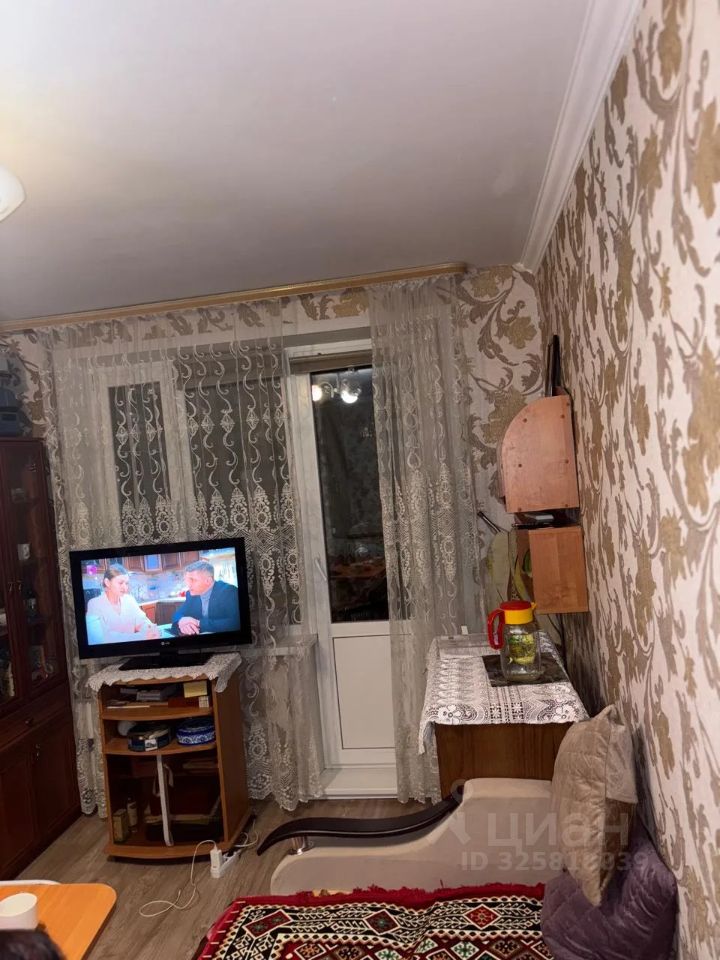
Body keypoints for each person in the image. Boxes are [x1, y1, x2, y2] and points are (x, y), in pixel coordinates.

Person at [86, 563, 161, 644]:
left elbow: (141, 621)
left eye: (126, 583)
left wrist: (150, 629)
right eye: (120, 583)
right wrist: (142, 636)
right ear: (107, 582)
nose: (125, 587)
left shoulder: (129, 600)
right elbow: (104, 637)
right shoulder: (94, 604)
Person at [170, 560, 240, 636]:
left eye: (193, 580)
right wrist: (182, 621)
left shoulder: (228, 591)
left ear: (208, 581)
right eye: (187, 580)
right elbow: (178, 613)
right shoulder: (190, 594)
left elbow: (236, 622)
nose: (188, 585)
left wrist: (198, 623)